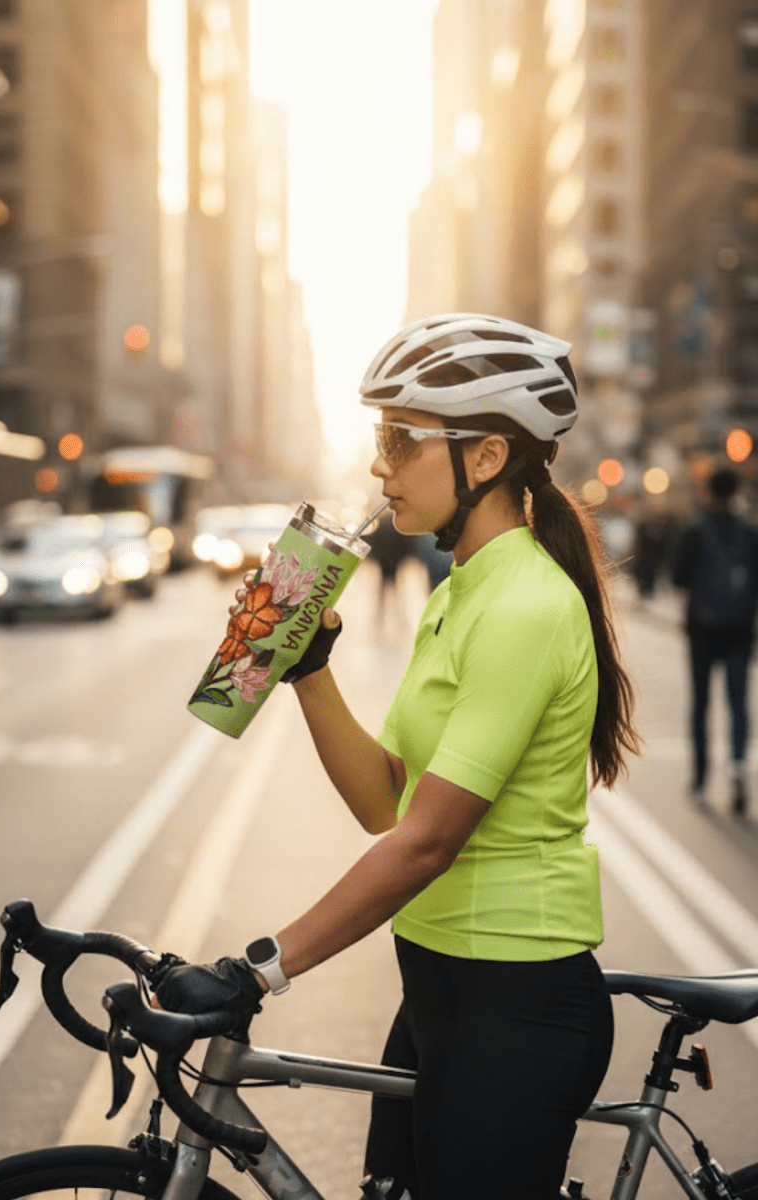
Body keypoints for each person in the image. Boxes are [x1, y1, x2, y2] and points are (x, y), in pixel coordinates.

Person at [153, 314, 639, 1199]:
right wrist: (305, 669)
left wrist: (258, 969)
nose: (378, 465)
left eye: (398, 439)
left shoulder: (526, 604)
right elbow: (388, 803)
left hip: (515, 1002)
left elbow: (425, 843)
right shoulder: (463, 592)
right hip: (438, 991)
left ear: (485, 458)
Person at [671, 467, 758, 815]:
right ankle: (737, 766)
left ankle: (700, 777)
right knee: (738, 703)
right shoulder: (749, 532)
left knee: (701, 703)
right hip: (739, 630)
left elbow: (677, 578)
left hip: (703, 631)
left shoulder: (695, 530)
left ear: (708, 492)